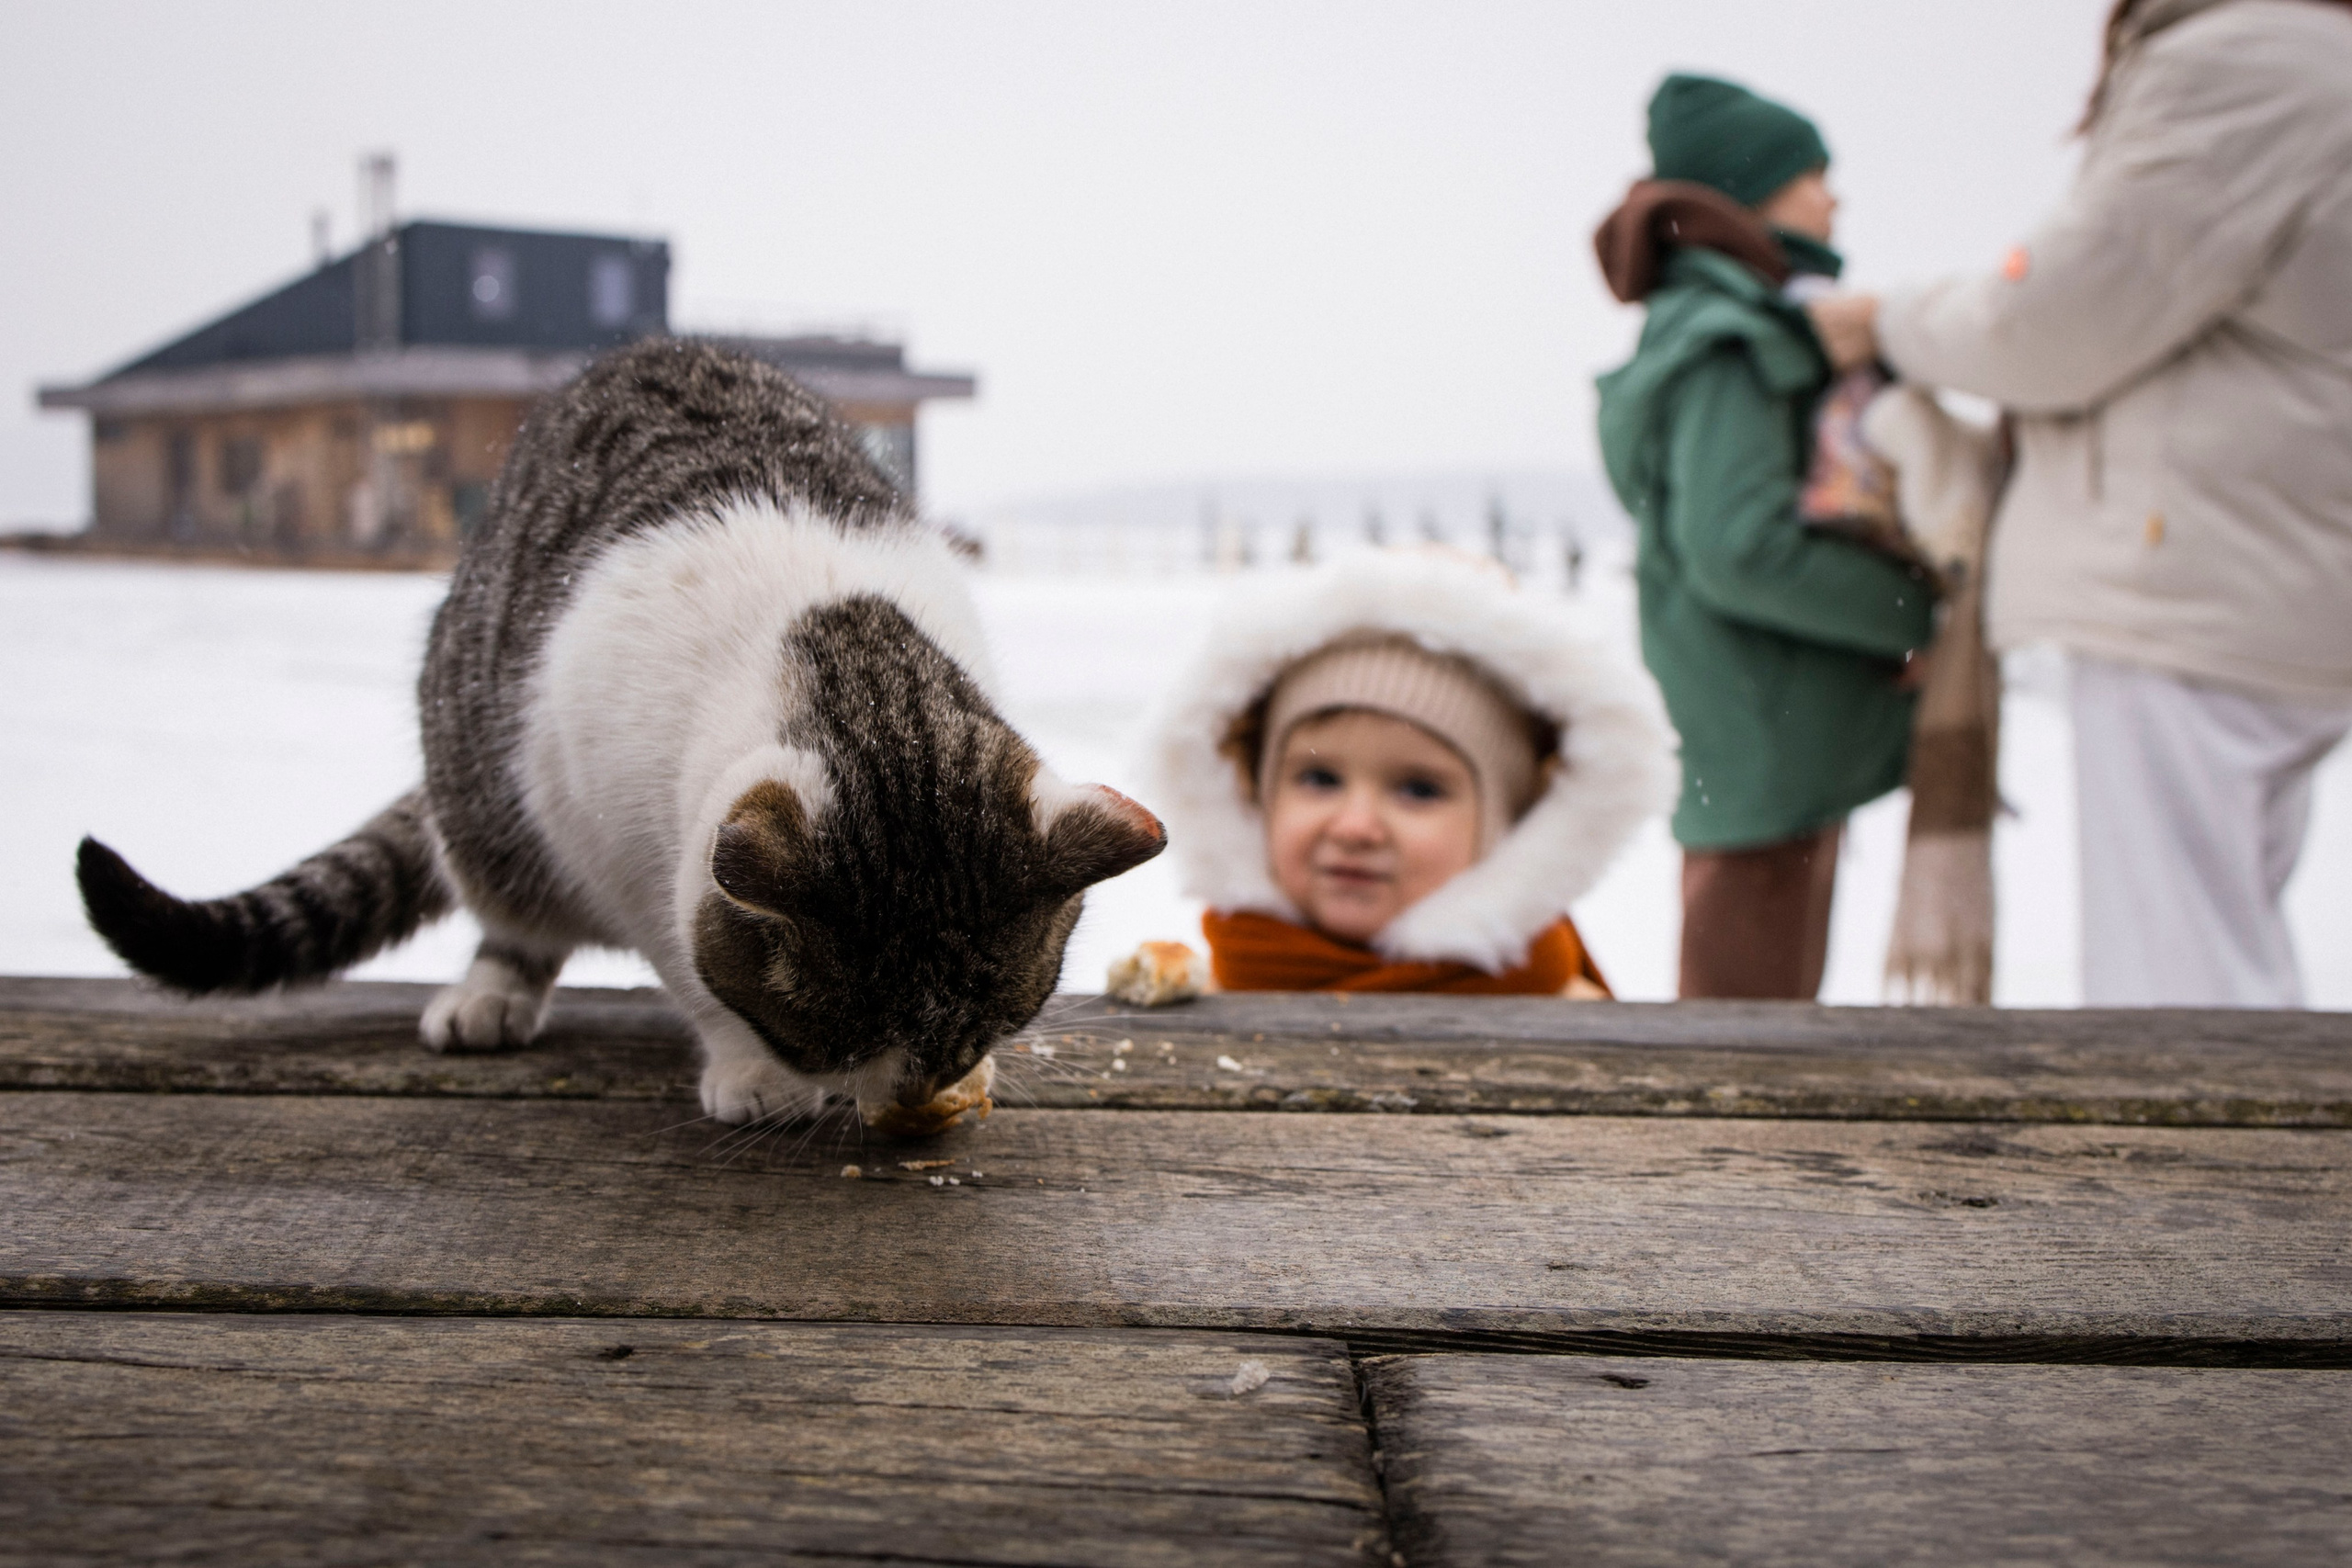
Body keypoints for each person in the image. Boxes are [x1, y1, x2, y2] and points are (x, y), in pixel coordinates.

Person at [1818, 0, 2352, 1007]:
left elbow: (2053, 319)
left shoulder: (2247, 61)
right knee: (2226, 940)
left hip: (2193, 574)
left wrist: (1885, 321)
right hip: (2269, 557)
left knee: (2180, 977)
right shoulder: (2310, 54)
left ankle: (2209, 1170)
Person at [1591, 74, 1937, 999]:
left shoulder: (1736, 321)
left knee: (1763, 1006)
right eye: (1811, 174)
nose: (1833, 197)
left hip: (1767, 713)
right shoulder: (1730, 339)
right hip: (1762, 720)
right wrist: (1913, 615)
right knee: (1746, 1027)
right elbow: (1736, 549)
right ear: (1748, 188)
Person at [1108, 548, 1675, 1001]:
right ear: (1256, 794)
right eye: (1320, 779)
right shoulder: (1217, 991)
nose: (1356, 827)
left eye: (1418, 789)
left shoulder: (1558, 1010)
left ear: (1509, 825)